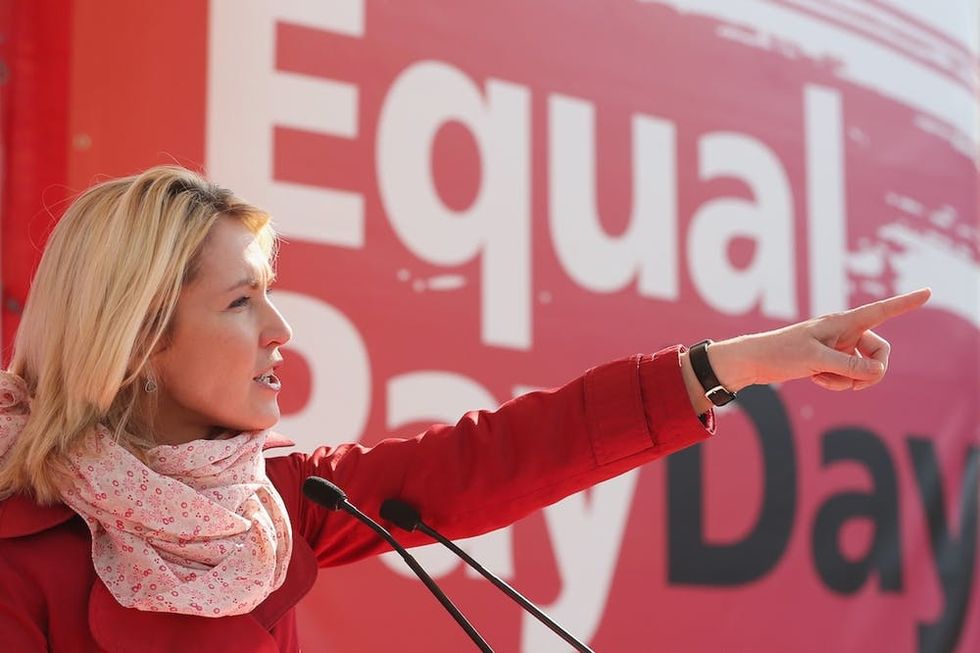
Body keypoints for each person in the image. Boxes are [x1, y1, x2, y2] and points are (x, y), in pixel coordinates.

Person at [0, 165, 930, 651]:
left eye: (270, 293)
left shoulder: (276, 508)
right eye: (242, 301)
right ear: (138, 338)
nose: (281, 328)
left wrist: (742, 363)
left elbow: (507, 454)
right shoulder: (20, 555)